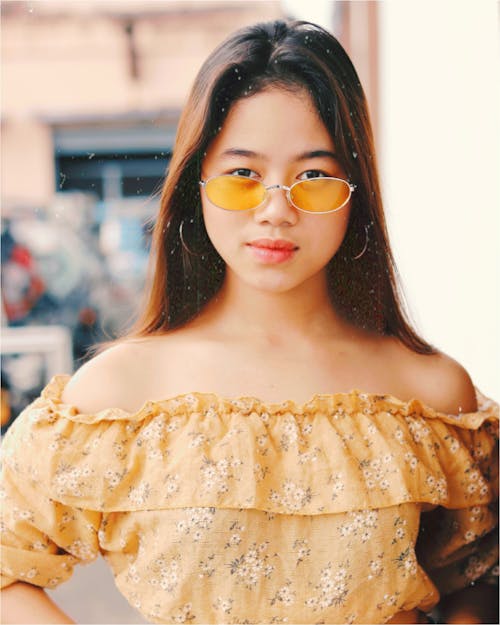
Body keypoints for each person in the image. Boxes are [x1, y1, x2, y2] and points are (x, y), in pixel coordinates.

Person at [1, 19, 497, 625]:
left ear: (356, 189)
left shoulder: (430, 394)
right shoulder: (117, 395)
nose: (276, 210)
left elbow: (478, 579)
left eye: (313, 176)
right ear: (196, 184)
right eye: (243, 175)